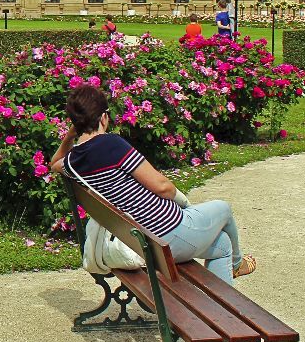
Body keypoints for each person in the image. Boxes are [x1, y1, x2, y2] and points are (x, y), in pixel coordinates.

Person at [52, 84, 256, 284]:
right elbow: (162, 187)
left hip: (144, 240)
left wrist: (71, 135)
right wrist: (181, 201)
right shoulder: (111, 144)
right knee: (223, 208)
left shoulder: (73, 161)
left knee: (222, 244)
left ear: (75, 123)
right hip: (166, 233)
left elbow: (54, 164)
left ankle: (221, 309)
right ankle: (237, 265)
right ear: (103, 117)